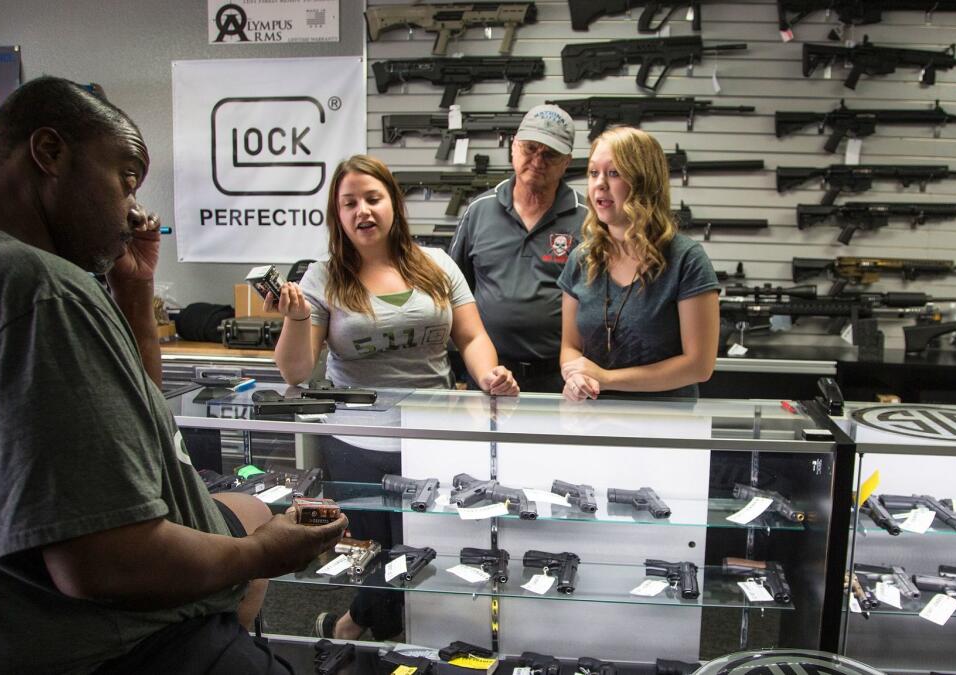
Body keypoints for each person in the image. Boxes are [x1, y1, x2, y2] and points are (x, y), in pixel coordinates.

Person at [0, 76, 348, 674]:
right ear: (49, 153)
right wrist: (260, 555)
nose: (135, 208)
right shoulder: (36, 288)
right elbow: (105, 563)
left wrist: (132, 292)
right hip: (119, 643)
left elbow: (134, 415)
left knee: (248, 505)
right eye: (125, 178)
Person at [266, 154, 519, 642]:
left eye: (372, 198)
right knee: (379, 551)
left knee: (432, 545)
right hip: (357, 440)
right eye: (349, 203)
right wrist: (296, 319)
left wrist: (490, 376)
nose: (363, 210)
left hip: (434, 433)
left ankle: (358, 629)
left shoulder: (437, 264)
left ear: (393, 204)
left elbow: (471, 337)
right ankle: (372, 635)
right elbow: (295, 371)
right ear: (337, 216)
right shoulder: (324, 276)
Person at [558, 126, 720, 401]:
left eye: (614, 173)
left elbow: (699, 366)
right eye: (593, 173)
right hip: (590, 423)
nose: (599, 184)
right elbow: (570, 347)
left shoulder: (687, 260)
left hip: (664, 429)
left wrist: (607, 379)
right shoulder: (581, 258)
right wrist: (576, 375)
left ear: (644, 181)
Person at [450, 104, 586, 393]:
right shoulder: (478, 211)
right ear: (513, 147)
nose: (538, 161)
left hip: (561, 379)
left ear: (567, 162)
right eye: (530, 149)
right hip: (489, 375)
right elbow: (454, 291)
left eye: (550, 154)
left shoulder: (588, 220)